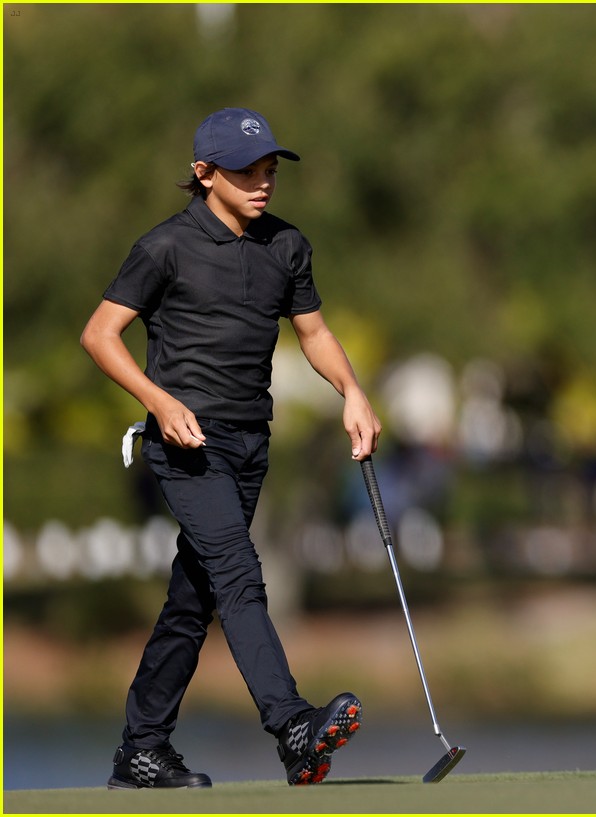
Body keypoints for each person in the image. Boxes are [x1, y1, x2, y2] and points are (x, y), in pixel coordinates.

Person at [80, 107, 382, 789]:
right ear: (204, 173)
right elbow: (100, 334)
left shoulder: (287, 246)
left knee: (194, 598)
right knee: (239, 574)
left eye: (269, 169)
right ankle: (293, 725)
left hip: (252, 443)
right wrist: (157, 401)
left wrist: (353, 393)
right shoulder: (165, 247)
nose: (262, 181)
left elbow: (314, 334)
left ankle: (142, 749)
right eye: (247, 170)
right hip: (185, 445)